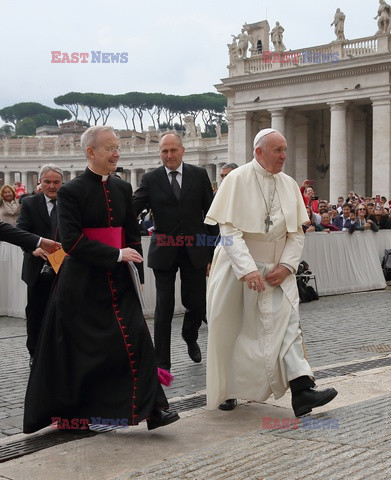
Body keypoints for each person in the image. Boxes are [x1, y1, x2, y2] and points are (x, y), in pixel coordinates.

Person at [23, 125, 179, 434]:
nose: (117, 152)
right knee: (85, 354)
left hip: (120, 281)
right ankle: (76, 415)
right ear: (90, 152)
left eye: (118, 147)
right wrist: (117, 255)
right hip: (81, 285)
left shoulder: (122, 188)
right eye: (110, 148)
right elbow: (72, 242)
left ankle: (153, 410)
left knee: (138, 340)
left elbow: (130, 235)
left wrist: (138, 273)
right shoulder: (70, 191)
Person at [205, 128, 337, 416]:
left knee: (288, 326)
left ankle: (302, 390)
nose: (283, 156)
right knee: (235, 330)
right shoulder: (237, 180)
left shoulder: (289, 184)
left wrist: (287, 266)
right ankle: (228, 389)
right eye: (277, 150)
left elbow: (297, 233)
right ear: (259, 152)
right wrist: (248, 270)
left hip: (278, 271)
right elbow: (227, 232)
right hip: (238, 270)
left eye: (285, 150)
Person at [133, 132, 217, 371]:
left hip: (195, 250)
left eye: (172, 150)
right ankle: (162, 364)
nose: (168, 155)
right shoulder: (150, 179)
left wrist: (211, 254)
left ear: (183, 150)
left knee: (197, 304)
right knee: (164, 309)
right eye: (164, 151)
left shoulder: (199, 175)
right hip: (164, 252)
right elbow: (133, 208)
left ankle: (190, 336)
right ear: (160, 153)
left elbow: (210, 216)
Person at [17, 164, 63, 364]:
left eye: (56, 182)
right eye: (47, 182)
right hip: (37, 266)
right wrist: (32, 249)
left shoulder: (70, 203)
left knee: (63, 312)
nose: (52, 186)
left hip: (64, 266)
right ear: (40, 182)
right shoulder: (29, 203)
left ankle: (61, 352)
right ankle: (35, 354)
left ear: (62, 183)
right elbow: (21, 231)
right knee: (35, 312)